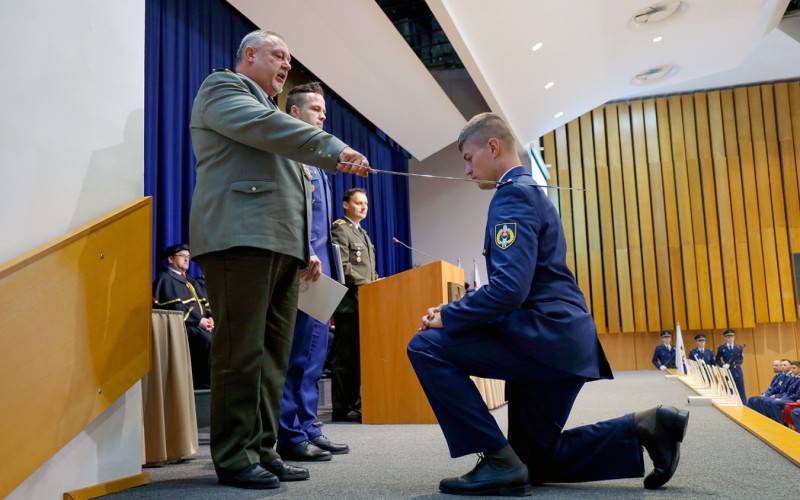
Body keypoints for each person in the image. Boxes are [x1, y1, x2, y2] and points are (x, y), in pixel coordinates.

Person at [407, 112, 689, 496]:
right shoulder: (528, 192)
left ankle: (496, 459)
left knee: (425, 346)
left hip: (543, 339)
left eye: (468, 158)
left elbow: (508, 291)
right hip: (559, 339)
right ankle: (646, 425)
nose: (468, 171)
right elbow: (523, 282)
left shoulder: (512, 197)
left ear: (493, 147)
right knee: (531, 461)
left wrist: (450, 316)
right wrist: (452, 311)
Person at [189, 29, 370, 490]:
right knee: (241, 352)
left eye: (289, 59)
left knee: (273, 357)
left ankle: (264, 450)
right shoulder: (224, 88)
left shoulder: (273, 113)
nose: (287, 65)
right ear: (249, 55)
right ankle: (233, 456)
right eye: (279, 55)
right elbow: (268, 131)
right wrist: (332, 148)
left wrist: (302, 247)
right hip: (240, 240)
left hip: (282, 248)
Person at [276, 82, 349, 462]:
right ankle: (289, 431)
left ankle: (308, 426)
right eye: (316, 109)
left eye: (323, 109)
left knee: (314, 356)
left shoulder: (317, 158)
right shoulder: (287, 155)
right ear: (294, 113)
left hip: (323, 276)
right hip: (302, 271)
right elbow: (288, 212)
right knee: (294, 357)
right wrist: (302, 252)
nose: (323, 115)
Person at [330, 187, 378, 422]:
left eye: (366, 204)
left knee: (359, 358)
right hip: (349, 305)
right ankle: (341, 407)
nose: (363, 207)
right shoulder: (341, 229)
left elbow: (369, 270)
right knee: (345, 359)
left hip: (365, 304)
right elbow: (343, 266)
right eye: (358, 203)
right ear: (346, 204)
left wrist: (378, 283)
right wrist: (369, 284)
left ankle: (355, 403)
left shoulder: (363, 234)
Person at [152, 243, 214, 389]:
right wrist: (199, 321)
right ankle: (203, 384)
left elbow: (204, 302)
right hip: (183, 326)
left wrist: (210, 318)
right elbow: (176, 307)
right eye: (182, 256)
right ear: (171, 259)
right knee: (206, 340)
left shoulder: (190, 281)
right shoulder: (165, 279)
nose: (187, 259)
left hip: (200, 324)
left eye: (188, 256)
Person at [715, 329, 746, 404]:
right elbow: (717, 359)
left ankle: (744, 405)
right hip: (727, 371)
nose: (730, 338)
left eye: (732, 336)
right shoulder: (721, 348)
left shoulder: (738, 348)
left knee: (741, 390)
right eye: (728, 337)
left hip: (737, 370)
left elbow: (741, 360)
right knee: (729, 389)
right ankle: (731, 404)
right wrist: (723, 365)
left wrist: (731, 364)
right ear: (725, 338)